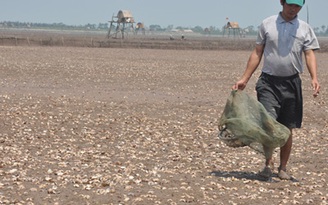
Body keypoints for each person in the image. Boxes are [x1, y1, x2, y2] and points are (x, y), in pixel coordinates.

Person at [232, 0, 320, 180]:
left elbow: (309, 53)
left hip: (292, 83)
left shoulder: (304, 28)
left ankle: (283, 168)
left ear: (301, 7)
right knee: (269, 122)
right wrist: (244, 78)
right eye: (289, 4)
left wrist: (314, 77)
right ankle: (267, 164)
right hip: (268, 82)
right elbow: (258, 52)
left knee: (287, 128)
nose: (292, 9)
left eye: (297, 6)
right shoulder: (267, 24)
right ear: (282, 2)